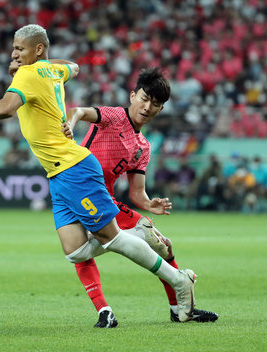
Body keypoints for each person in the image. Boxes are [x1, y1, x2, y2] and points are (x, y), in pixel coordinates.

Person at [0, 25, 197, 327]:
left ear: (38, 49)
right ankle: (134, 238)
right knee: (77, 252)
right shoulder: (49, 71)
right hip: (60, 171)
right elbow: (74, 67)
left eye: (19, 49)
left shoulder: (28, 75)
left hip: (72, 167)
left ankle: (178, 280)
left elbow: (5, 109)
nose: (13, 55)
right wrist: (41, 63)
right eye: (14, 49)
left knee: (112, 239)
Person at [63, 67, 218, 324]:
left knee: (161, 244)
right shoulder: (113, 116)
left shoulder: (143, 147)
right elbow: (78, 110)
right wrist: (70, 124)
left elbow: (137, 193)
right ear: (133, 95)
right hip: (79, 188)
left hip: (103, 198)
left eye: (155, 103)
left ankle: (173, 308)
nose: (147, 107)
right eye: (144, 98)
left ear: (161, 109)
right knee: (88, 249)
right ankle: (179, 288)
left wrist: (149, 203)